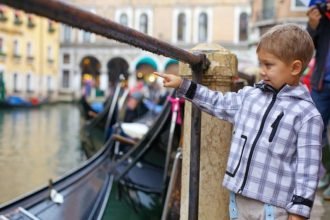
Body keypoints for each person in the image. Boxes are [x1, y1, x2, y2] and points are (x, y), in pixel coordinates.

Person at [154, 24, 323, 220]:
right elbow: (218, 102)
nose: (262, 71)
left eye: (269, 65)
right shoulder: (250, 97)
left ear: (295, 67)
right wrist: (183, 85)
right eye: (261, 64)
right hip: (238, 200)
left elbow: (308, 170)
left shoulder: (307, 115)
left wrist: (299, 213)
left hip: (273, 207)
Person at [306, 0, 330, 200]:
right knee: (316, 131)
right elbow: (307, 48)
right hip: (321, 84)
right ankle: (328, 171)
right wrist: (312, 26)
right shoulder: (321, 20)